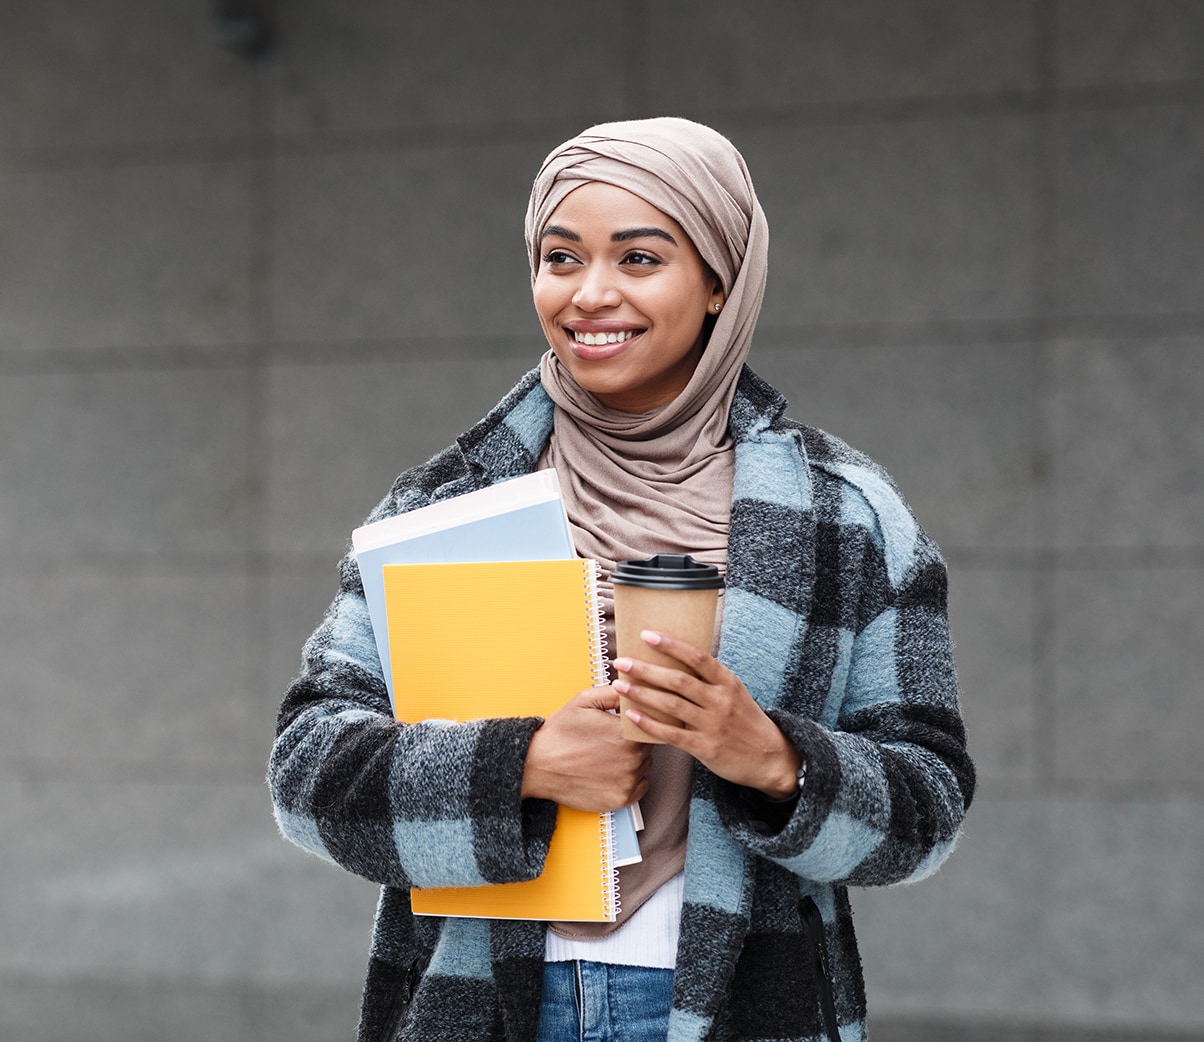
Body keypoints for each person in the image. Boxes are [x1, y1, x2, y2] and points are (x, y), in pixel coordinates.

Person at [268, 117, 975, 1042]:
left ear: (720, 280)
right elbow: (306, 772)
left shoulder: (845, 515)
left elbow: (929, 805)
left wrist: (771, 759)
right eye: (561, 258)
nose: (590, 294)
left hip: (747, 1009)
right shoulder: (448, 502)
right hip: (474, 1002)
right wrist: (518, 766)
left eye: (639, 259)